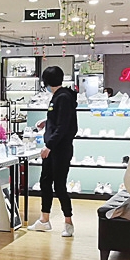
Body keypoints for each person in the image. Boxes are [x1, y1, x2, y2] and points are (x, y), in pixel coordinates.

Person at [28, 65, 78, 237]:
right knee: (45, 182)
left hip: (59, 149)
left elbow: (63, 126)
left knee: (59, 185)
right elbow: (59, 119)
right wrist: (46, 121)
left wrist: (49, 145)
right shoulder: (59, 96)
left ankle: (68, 222)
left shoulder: (63, 97)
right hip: (53, 148)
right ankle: (44, 219)